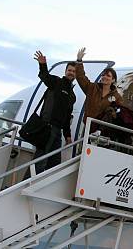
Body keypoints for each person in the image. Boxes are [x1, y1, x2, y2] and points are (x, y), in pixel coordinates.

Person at [23, 51, 76, 180]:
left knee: (54, 163)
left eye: (74, 71)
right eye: (69, 70)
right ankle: (25, 184)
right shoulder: (56, 82)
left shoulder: (72, 95)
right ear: (65, 71)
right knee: (40, 160)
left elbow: (67, 117)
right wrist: (43, 64)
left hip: (57, 132)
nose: (71, 73)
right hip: (47, 128)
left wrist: (67, 135)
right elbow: (44, 76)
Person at [73, 48, 123, 129]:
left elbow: (120, 114)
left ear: (113, 80)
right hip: (88, 127)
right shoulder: (92, 88)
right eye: (103, 75)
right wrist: (79, 61)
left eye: (108, 76)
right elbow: (80, 77)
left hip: (104, 131)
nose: (104, 77)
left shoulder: (117, 96)